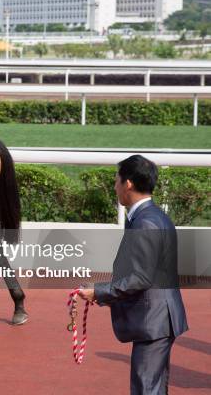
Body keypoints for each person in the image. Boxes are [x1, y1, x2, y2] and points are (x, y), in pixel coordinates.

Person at [78, 155, 188, 395]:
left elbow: (140, 277)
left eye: (116, 181)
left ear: (128, 183)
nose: (115, 186)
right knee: (153, 388)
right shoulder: (150, 216)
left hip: (154, 319)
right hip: (157, 317)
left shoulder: (146, 222)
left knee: (145, 389)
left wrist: (99, 291)